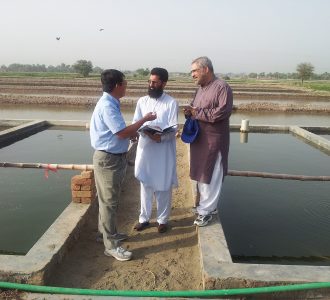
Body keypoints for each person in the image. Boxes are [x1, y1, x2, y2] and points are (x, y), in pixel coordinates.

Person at [90, 69, 157, 261]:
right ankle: (110, 246)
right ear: (117, 85)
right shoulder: (107, 106)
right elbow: (120, 132)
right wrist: (144, 120)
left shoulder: (111, 102)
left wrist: (131, 132)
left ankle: (104, 234)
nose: (127, 86)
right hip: (108, 159)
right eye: (125, 83)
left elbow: (119, 131)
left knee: (108, 200)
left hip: (112, 157)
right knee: (109, 202)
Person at [183, 56, 233, 227]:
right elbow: (195, 107)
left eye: (194, 71)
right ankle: (204, 206)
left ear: (205, 69)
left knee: (210, 176)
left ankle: (206, 211)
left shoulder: (222, 87)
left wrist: (198, 113)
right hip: (200, 138)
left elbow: (222, 113)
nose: (192, 75)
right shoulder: (200, 89)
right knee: (200, 174)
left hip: (214, 140)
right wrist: (189, 112)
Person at [133, 67, 178, 233]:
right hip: (146, 149)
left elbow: (173, 127)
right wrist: (146, 131)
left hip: (163, 149)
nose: (151, 85)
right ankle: (144, 219)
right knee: (145, 183)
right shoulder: (142, 101)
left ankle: (162, 220)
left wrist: (160, 136)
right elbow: (136, 123)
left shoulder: (171, 102)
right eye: (149, 81)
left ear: (163, 83)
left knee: (163, 185)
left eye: (155, 82)